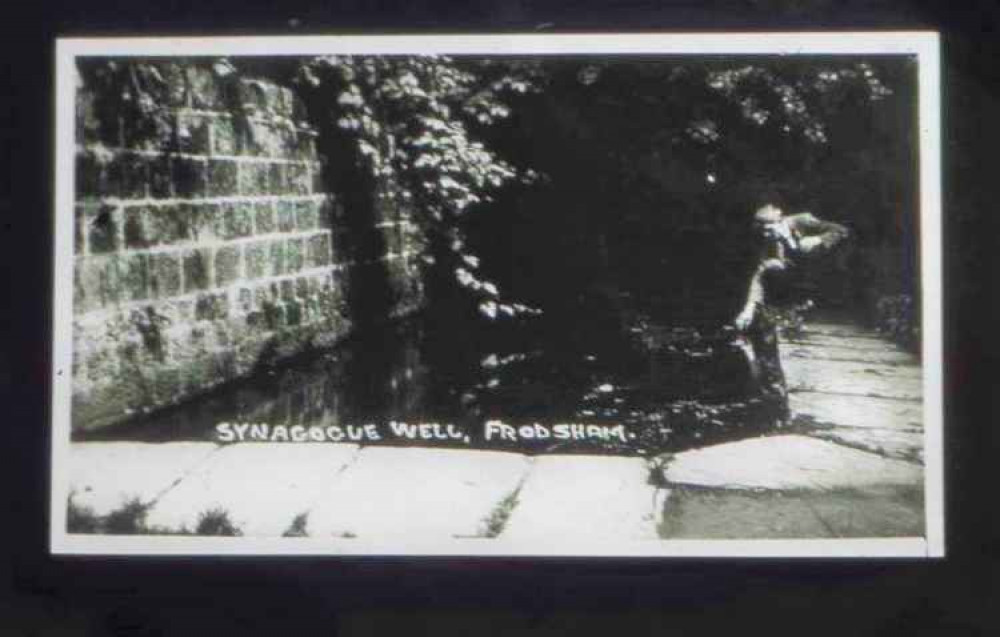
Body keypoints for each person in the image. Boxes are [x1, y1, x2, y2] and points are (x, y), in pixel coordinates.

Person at [732, 204, 850, 410]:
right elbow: (759, 274)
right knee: (763, 323)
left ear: (780, 221)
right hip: (793, 284)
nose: (767, 235)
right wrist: (749, 307)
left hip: (823, 276)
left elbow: (841, 230)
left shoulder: (803, 221)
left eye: (770, 230)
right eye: (762, 231)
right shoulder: (766, 242)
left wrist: (819, 239)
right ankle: (771, 391)